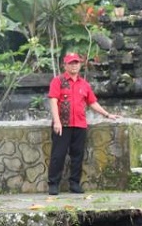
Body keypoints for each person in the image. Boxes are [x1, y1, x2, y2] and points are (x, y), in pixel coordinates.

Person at [47, 52, 118, 195]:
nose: (74, 65)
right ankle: (53, 184)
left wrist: (107, 114)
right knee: (58, 155)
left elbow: (92, 103)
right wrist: (57, 121)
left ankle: (74, 184)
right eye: (71, 63)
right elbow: (53, 101)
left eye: (76, 63)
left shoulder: (84, 84)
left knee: (77, 156)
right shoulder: (58, 81)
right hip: (63, 125)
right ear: (65, 65)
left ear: (80, 65)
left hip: (79, 125)